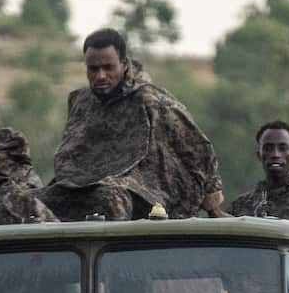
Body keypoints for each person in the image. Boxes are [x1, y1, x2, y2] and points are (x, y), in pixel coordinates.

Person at [40, 28, 226, 221]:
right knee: (25, 202)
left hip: (145, 193)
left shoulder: (151, 100)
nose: (101, 76)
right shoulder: (80, 102)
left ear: (124, 64)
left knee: (109, 198)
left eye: (108, 67)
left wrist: (213, 207)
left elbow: (197, 149)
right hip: (82, 186)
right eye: (93, 69)